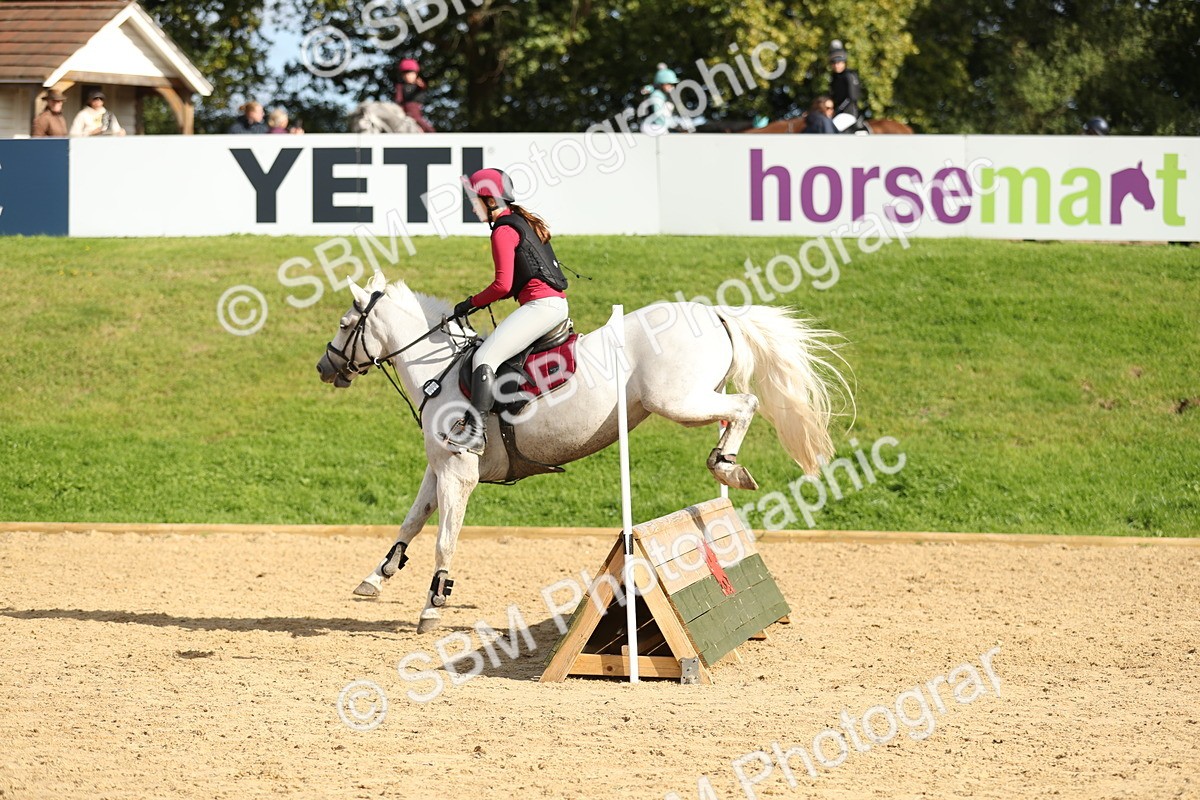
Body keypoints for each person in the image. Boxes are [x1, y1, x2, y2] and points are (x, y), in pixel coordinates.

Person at [446, 168, 570, 454]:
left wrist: (471, 303)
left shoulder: (503, 230)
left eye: (475, 201)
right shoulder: (520, 221)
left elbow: (502, 285)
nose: (472, 207)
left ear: (491, 200)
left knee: (484, 357)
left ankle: (475, 434)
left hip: (542, 306)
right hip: (552, 304)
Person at [640, 63, 695, 135]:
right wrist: (675, 127)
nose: (671, 86)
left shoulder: (665, 96)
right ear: (662, 84)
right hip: (653, 126)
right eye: (669, 84)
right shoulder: (656, 95)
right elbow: (658, 116)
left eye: (672, 84)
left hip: (659, 127)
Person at [828, 40, 863, 130]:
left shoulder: (849, 75)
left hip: (848, 113)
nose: (836, 65)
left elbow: (852, 97)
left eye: (839, 62)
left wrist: (838, 109)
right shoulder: (834, 78)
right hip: (837, 113)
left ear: (844, 63)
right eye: (833, 63)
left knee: (832, 128)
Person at [394, 58, 435, 132]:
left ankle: (431, 132)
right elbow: (398, 99)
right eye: (406, 74)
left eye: (411, 74)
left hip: (415, 109)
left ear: (416, 75)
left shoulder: (418, 86)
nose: (408, 76)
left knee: (418, 119)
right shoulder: (400, 86)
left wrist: (421, 85)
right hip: (403, 110)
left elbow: (423, 87)